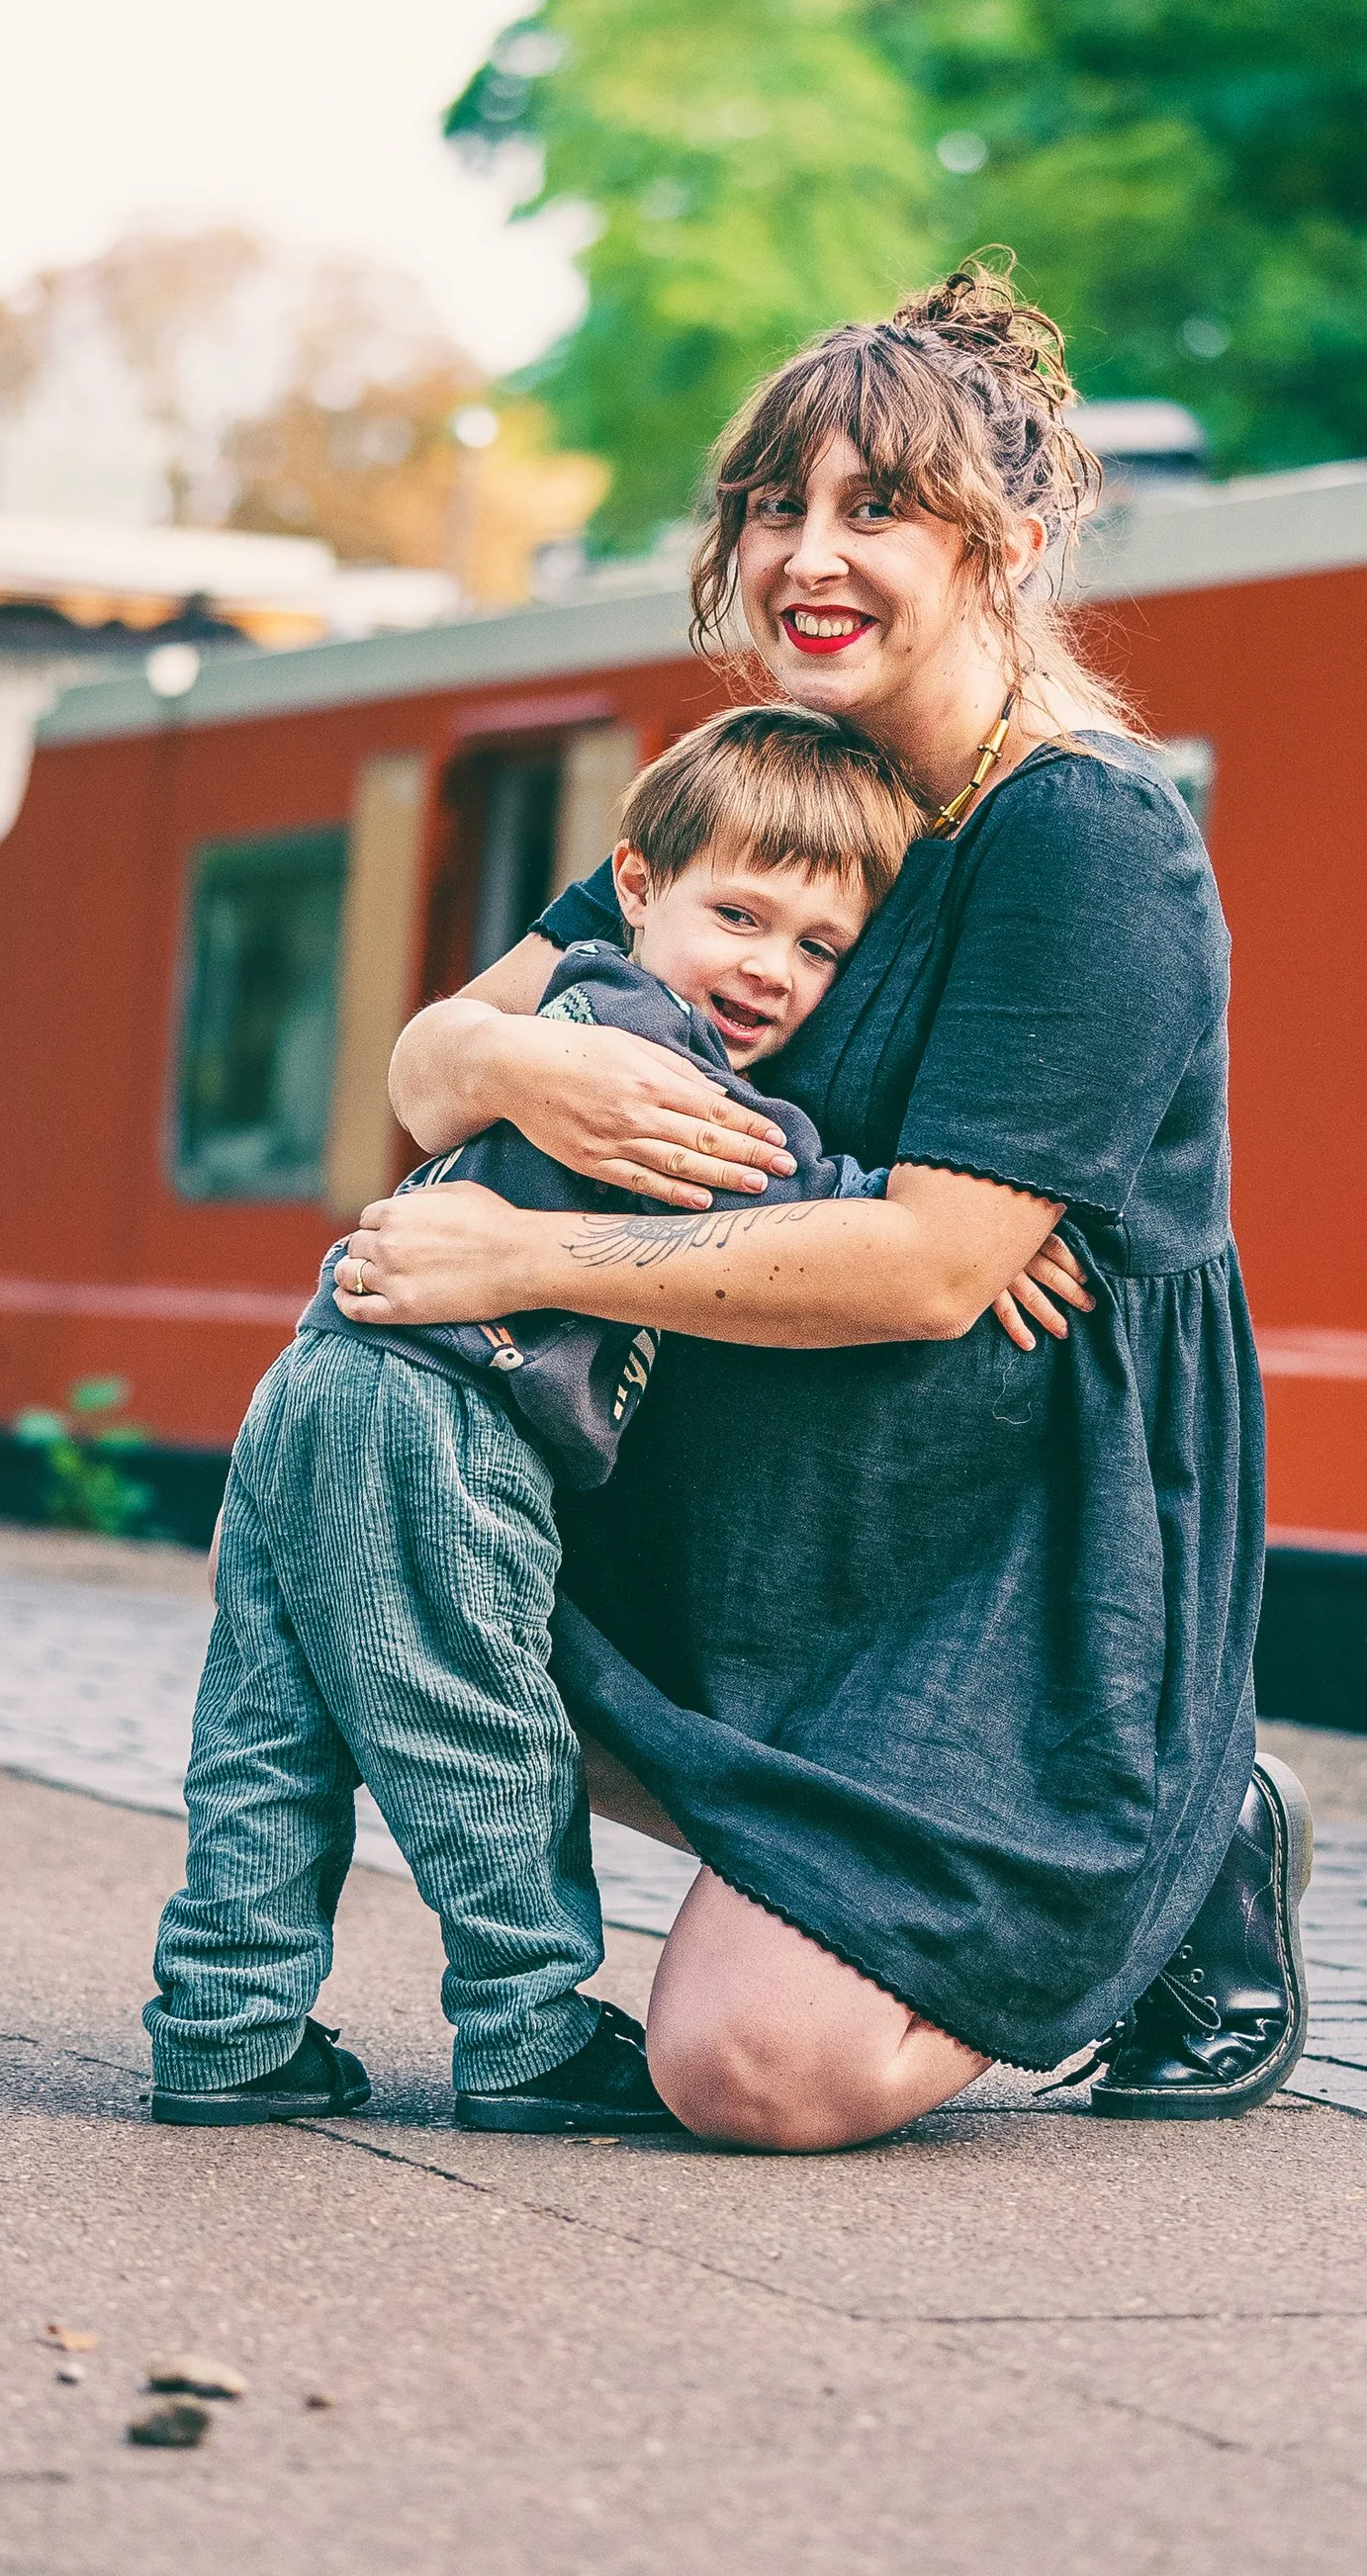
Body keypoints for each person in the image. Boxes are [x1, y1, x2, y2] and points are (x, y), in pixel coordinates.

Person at [340, 257, 1310, 2151]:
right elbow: (427, 1060)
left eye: (879, 510)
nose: (809, 553)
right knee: (387, 1570)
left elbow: (941, 1267)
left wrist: (522, 1251)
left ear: (1010, 546)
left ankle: (1185, 1834)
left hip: (1010, 1545)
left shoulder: (1085, 841)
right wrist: (534, 1065)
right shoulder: (782, 790)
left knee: (751, 2076)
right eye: (778, 504)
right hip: (770, 1489)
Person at [144, 705, 938, 2135]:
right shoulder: (647, 1046)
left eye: (818, 949)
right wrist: (919, 1209)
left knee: (274, 1721)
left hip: (325, 1378)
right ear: (637, 888)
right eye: (740, 915)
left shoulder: (565, 1005)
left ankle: (227, 2023)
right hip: (446, 1411)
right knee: (482, 1718)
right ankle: (527, 2027)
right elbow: (780, 1190)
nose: (769, 968)